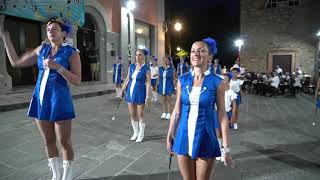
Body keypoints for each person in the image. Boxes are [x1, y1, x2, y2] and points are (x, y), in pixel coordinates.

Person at [0, 19, 81, 180]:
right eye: (49, 29)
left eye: (55, 29)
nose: (51, 31)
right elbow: (15, 62)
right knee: (48, 140)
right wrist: (5, 38)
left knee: (64, 141)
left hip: (60, 101)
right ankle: (56, 174)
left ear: (63, 33)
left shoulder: (72, 52)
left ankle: (68, 175)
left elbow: (77, 80)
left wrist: (58, 67)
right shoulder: (42, 49)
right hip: (40, 99)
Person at [166, 38, 234, 180]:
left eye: (201, 51)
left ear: (210, 56)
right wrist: (170, 134)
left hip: (205, 136)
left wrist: (226, 148)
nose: (196, 53)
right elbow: (177, 111)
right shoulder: (182, 80)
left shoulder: (218, 82)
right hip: (183, 136)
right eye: (193, 51)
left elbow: (222, 115)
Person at [121, 49, 151, 143]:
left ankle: (141, 133)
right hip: (130, 92)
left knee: (140, 114)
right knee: (132, 114)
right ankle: (136, 132)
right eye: (136, 55)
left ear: (144, 56)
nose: (137, 57)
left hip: (140, 92)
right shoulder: (132, 66)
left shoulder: (146, 68)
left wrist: (147, 96)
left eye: (140, 55)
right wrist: (122, 89)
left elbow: (148, 83)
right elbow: (127, 78)